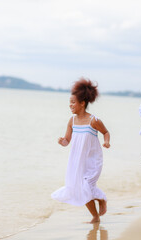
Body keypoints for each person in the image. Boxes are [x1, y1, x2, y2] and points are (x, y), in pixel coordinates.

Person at [51, 78, 110, 224]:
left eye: (73, 102)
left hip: (92, 159)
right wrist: (62, 142)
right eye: (69, 102)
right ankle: (95, 216)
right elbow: (67, 140)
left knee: (86, 186)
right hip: (76, 159)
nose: (70, 105)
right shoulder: (71, 120)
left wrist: (107, 142)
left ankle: (101, 199)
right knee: (79, 188)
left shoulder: (94, 120)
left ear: (82, 103)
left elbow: (106, 132)